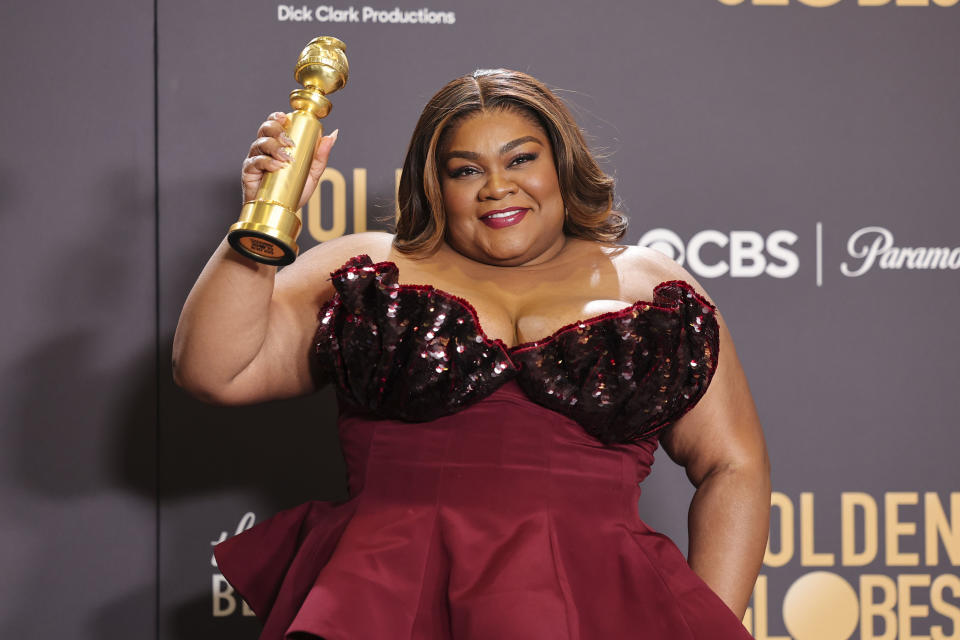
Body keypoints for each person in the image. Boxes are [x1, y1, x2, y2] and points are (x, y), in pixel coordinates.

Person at [173, 69, 770, 639]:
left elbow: (732, 465)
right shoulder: (370, 268)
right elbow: (213, 371)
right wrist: (264, 219)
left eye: (521, 158)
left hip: (596, 606)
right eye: (465, 170)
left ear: (560, 165)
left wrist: (702, 626)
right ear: (436, 184)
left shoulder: (654, 287)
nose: (497, 187)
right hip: (389, 600)